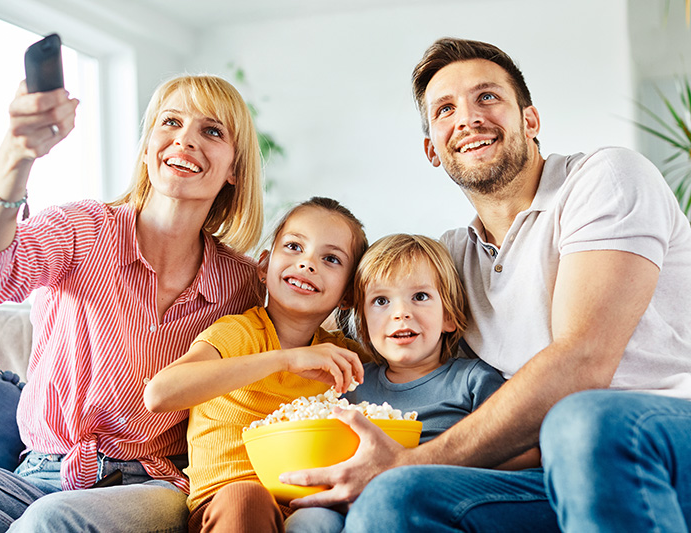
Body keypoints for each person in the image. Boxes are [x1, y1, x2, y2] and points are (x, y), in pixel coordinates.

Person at [281, 38, 691, 532]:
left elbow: (584, 359)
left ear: (530, 120)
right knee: (393, 499)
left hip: (658, 435)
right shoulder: (453, 256)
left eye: (488, 97)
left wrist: (415, 459)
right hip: (545, 472)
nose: (468, 118)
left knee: (583, 422)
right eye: (446, 109)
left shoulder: (605, 178)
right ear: (433, 149)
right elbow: (354, 295)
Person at [0, 73, 265, 532]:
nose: (184, 139)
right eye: (170, 122)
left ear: (234, 169)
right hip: (40, 477)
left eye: (212, 131)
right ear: (149, 148)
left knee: (51, 520)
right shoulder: (83, 230)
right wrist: (17, 151)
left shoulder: (241, 283)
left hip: (150, 485)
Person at [284, 233, 541, 533]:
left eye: (420, 297)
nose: (400, 312)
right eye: (381, 301)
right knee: (307, 520)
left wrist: (423, 464)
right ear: (364, 327)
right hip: (351, 498)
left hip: (427, 501)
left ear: (449, 316)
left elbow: (524, 454)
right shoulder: (351, 388)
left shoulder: (474, 379)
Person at [144, 196, 369, 533]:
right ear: (264, 266)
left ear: (349, 293)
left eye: (331, 258)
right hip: (228, 504)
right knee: (248, 499)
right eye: (294, 246)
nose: (307, 263)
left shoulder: (343, 355)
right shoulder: (239, 333)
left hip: (306, 505)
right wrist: (287, 359)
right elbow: (160, 393)